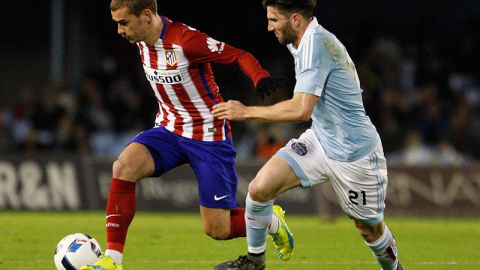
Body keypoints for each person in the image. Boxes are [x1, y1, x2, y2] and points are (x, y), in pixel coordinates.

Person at [81, 0, 292, 269]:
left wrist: (259, 77)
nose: (120, 30)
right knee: (123, 166)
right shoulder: (141, 39)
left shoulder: (186, 41)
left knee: (217, 228)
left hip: (208, 136)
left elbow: (238, 55)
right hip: (169, 130)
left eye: (124, 22)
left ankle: (271, 220)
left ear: (146, 16)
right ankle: (112, 259)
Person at [212, 0, 404, 269]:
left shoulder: (317, 44)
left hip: (354, 154)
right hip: (320, 140)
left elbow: (302, 109)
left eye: (273, 20)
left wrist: (245, 112)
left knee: (368, 228)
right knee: (259, 189)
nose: (268, 27)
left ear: (294, 20)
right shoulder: (298, 42)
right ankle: (255, 262)